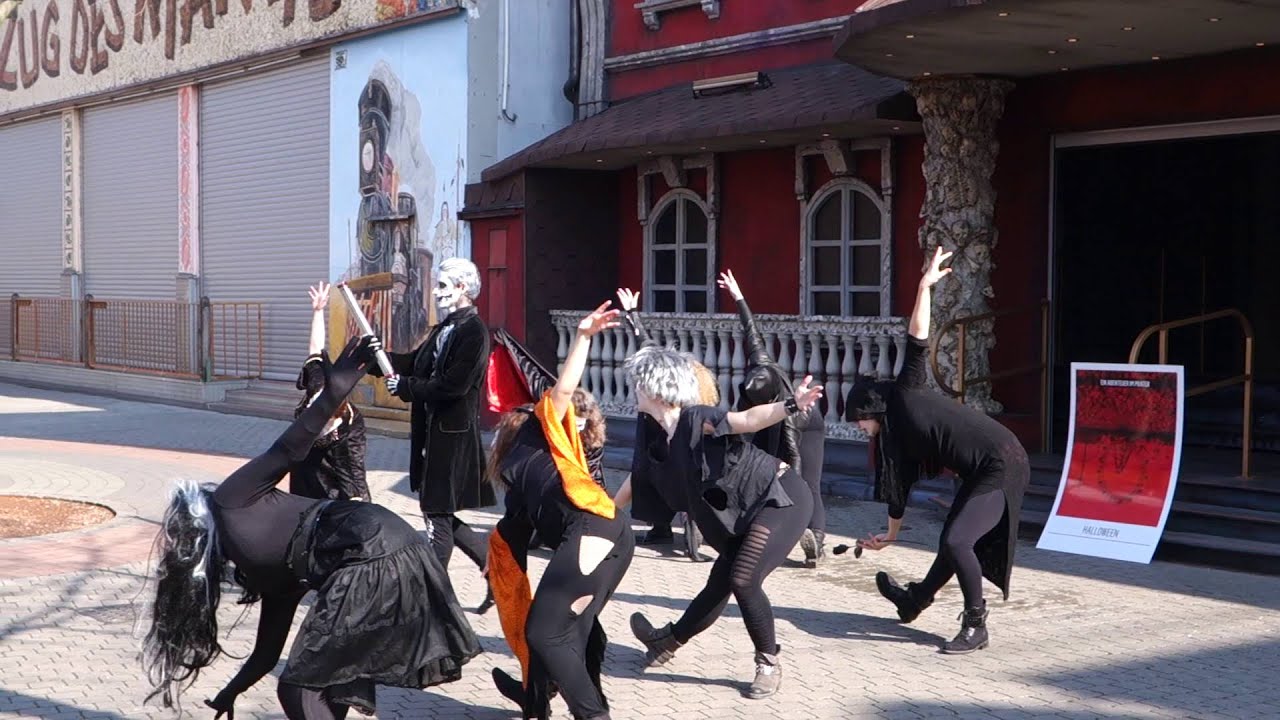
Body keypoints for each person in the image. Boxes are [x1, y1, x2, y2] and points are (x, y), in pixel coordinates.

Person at [141, 334, 482, 720]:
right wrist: (229, 693)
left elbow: (287, 450)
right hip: (388, 547)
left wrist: (334, 392)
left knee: (299, 688)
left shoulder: (231, 499)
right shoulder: (272, 574)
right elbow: (266, 653)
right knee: (325, 680)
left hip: (371, 550)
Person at [846, 246, 1030, 655]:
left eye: (858, 418)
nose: (858, 428)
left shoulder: (906, 394)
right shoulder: (894, 440)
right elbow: (897, 489)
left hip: (1002, 460)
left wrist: (923, 287)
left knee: (957, 541)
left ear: (870, 408)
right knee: (953, 538)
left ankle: (976, 626)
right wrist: (889, 536)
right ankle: (914, 601)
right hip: (980, 470)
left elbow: (916, 339)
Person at [624, 346, 823, 699]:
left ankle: (768, 663)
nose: (633, 390)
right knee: (719, 585)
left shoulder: (696, 418)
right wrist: (598, 514)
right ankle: (665, 642)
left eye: (638, 384)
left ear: (653, 389)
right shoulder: (661, 440)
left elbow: (747, 420)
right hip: (739, 514)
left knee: (743, 579)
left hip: (780, 497)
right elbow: (636, 479)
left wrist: (791, 404)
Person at [486, 302, 634, 720]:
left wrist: (583, 337)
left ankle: (592, 714)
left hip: (595, 528)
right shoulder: (519, 481)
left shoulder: (543, 432)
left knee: (545, 632)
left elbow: (564, 390)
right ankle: (538, 706)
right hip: (608, 534)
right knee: (570, 631)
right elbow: (510, 532)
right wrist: (493, 559)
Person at [371, 257, 495, 612]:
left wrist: (407, 386)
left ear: (462, 289)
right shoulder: (444, 329)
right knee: (439, 513)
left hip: (453, 438)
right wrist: (377, 358)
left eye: (442, 286)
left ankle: (424, 599)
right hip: (432, 435)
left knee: (436, 517)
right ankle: (497, 573)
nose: (436, 292)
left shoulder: (474, 332)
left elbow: (454, 385)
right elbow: (415, 363)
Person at [716, 270, 828, 567]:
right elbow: (751, 331)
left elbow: (795, 459)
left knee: (807, 483)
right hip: (772, 420)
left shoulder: (788, 415)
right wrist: (738, 296)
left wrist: (795, 489)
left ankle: (815, 536)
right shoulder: (761, 364)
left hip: (806, 424)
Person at [610, 288, 706, 561]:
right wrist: (632, 314)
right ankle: (660, 526)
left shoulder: (677, 403)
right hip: (652, 434)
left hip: (670, 436)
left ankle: (691, 532)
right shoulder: (651, 390)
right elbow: (644, 344)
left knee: (682, 475)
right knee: (646, 475)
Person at [289, 282, 371, 502]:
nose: (319, 424)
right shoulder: (318, 382)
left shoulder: (351, 423)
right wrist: (318, 311)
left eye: (326, 422)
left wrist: (358, 503)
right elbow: (315, 349)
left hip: (333, 483)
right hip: (304, 474)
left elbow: (354, 470)